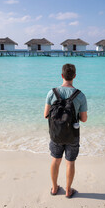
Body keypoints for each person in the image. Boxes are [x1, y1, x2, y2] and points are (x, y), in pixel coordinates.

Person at [44, 63, 87, 198]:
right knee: (70, 162)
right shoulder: (80, 95)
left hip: (56, 134)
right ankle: (68, 190)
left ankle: (55, 188)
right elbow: (84, 119)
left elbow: (46, 114)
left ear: (62, 75)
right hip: (72, 134)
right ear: (74, 76)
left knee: (56, 160)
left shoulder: (52, 92)